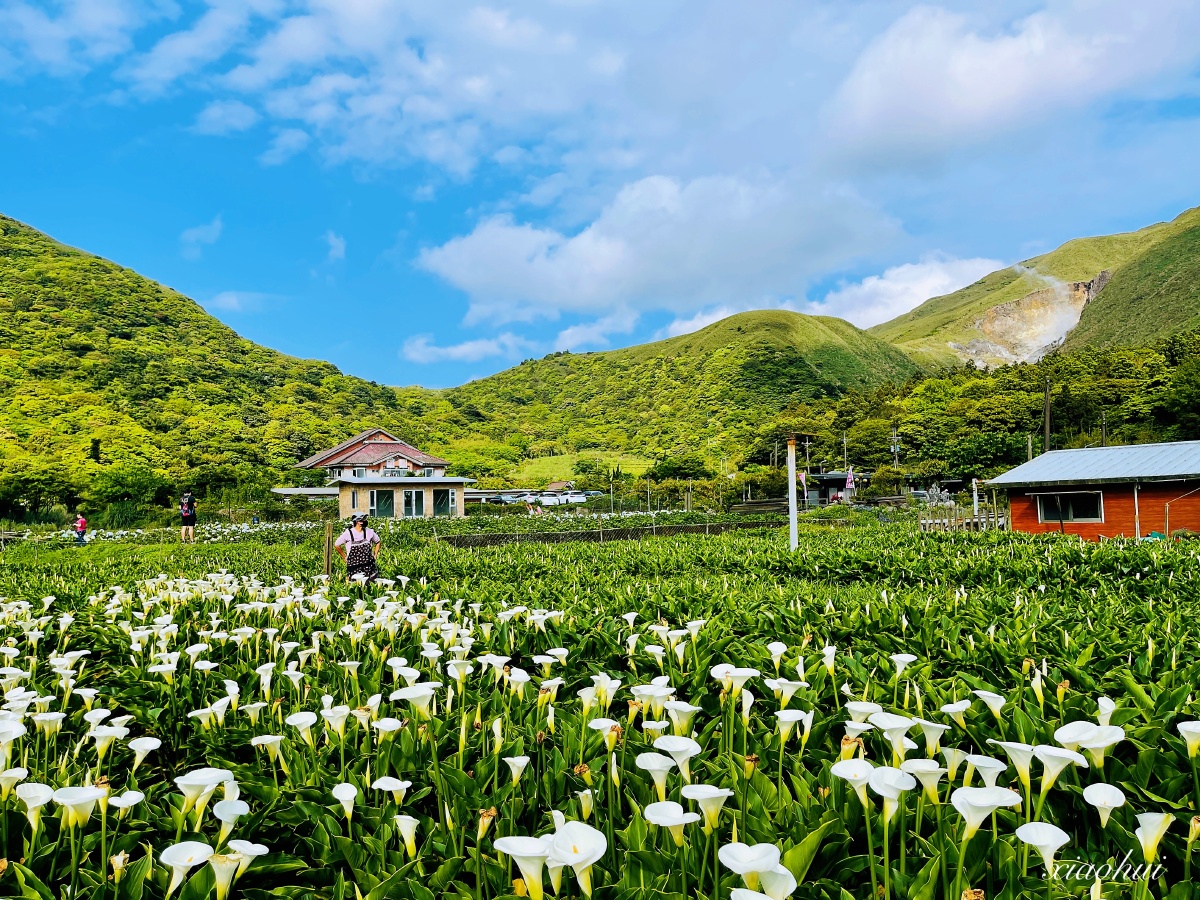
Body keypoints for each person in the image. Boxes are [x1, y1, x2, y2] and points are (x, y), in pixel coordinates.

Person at [335, 513, 381, 583]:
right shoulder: (348, 533)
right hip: (354, 566)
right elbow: (337, 545)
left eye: (364, 519)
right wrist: (345, 557)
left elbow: (378, 542)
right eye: (360, 520)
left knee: (370, 583)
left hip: (369, 564)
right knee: (355, 584)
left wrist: (375, 555)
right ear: (355, 521)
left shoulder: (369, 531)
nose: (363, 521)